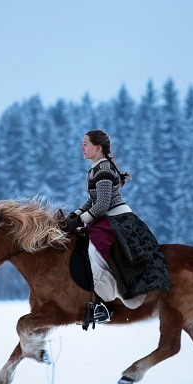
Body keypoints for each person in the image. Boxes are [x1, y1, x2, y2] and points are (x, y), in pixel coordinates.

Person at [64, 130, 170, 328]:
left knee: (94, 253)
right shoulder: (97, 168)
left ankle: (104, 304)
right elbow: (92, 199)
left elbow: (103, 204)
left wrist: (80, 221)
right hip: (106, 218)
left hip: (116, 220)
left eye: (85, 144)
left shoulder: (104, 169)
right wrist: (75, 215)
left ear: (98, 148)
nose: (82, 148)